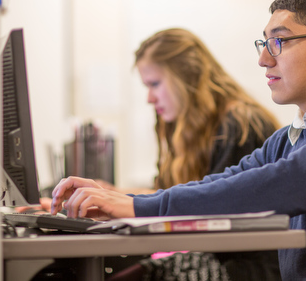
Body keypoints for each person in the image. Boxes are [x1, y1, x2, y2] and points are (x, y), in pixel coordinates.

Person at [51, 0, 306, 280]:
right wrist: (124, 200)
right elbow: (226, 182)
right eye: (264, 42)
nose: (263, 58)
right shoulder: (295, 134)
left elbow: (290, 183)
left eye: (279, 42)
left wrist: (137, 208)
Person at [113, 28, 281, 280]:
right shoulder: (184, 125)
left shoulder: (239, 125)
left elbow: (211, 209)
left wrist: (124, 203)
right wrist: (112, 198)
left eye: (155, 84)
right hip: (214, 255)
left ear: (188, 78)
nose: (149, 98)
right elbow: (174, 192)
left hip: (245, 266)